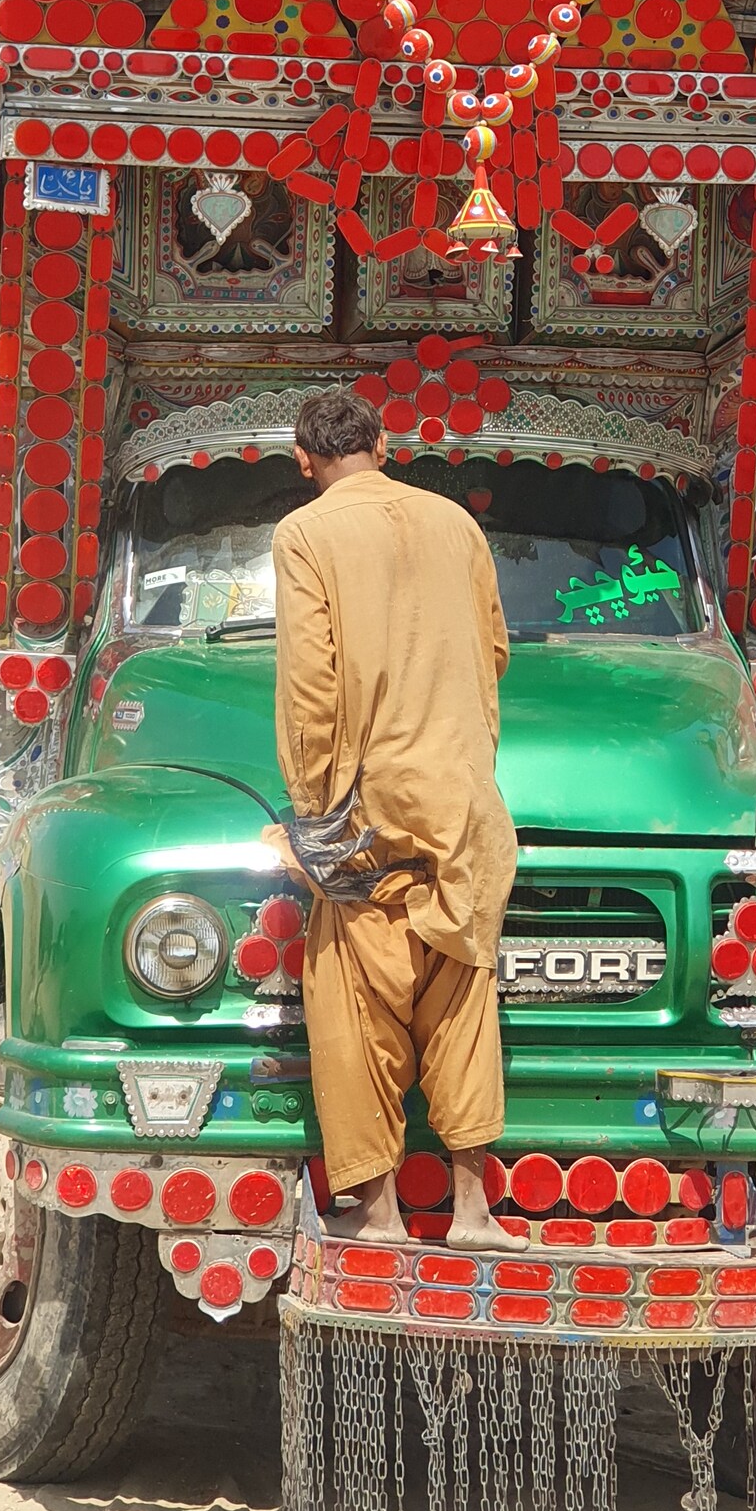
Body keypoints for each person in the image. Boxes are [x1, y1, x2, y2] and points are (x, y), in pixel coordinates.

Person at [266, 388, 516, 1247]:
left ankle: (379, 1214)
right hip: (465, 801)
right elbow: (494, 652)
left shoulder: (305, 534)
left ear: (304, 461)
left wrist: (311, 812)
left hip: (372, 807)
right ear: (383, 441)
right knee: (462, 997)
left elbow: (310, 685)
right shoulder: (458, 524)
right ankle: (475, 1212)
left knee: (355, 1003)